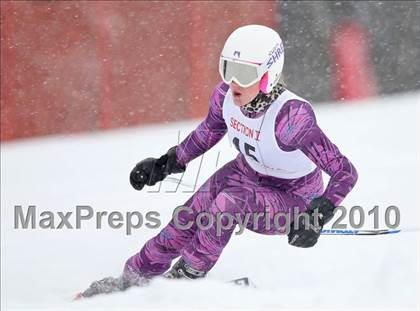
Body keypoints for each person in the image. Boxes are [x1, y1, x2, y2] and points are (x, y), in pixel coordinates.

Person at [78, 24, 358, 298]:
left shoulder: (291, 119)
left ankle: (187, 277)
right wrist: (165, 164)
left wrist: (317, 216)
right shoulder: (225, 97)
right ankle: (133, 279)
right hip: (246, 174)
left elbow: (344, 172)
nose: (234, 82)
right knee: (188, 216)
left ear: (267, 76)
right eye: (228, 69)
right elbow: (207, 133)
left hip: (294, 198)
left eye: (245, 74)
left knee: (230, 203)